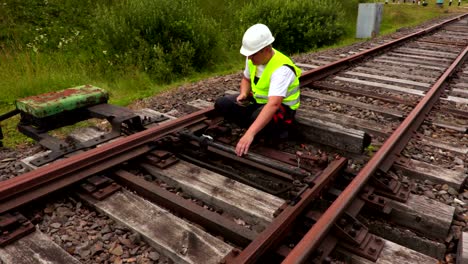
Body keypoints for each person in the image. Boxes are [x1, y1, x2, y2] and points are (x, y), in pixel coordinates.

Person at [214, 24, 301, 157]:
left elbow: (274, 104)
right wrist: (243, 93)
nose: (249, 58)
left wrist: (249, 134)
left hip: (282, 110)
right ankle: (257, 126)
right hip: (258, 102)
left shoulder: (282, 69)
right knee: (222, 104)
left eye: (252, 55)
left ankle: (278, 132)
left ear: (266, 49)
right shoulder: (253, 59)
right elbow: (246, 79)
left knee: (256, 120)